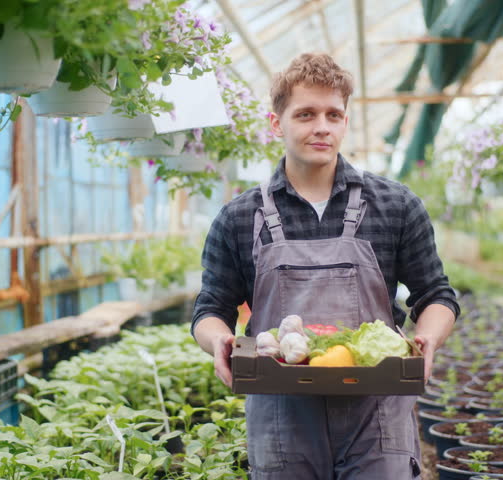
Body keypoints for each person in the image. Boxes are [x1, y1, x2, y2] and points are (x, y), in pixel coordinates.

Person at [191, 52, 459, 479]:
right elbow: (211, 309)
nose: (322, 126)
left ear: (345, 121)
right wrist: (219, 342)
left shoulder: (395, 205)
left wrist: (426, 340)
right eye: (306, 114)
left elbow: (437, 295)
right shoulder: (240, 217)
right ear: (277, 123)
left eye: (334, 114)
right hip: (282, 416)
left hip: (376, 417)